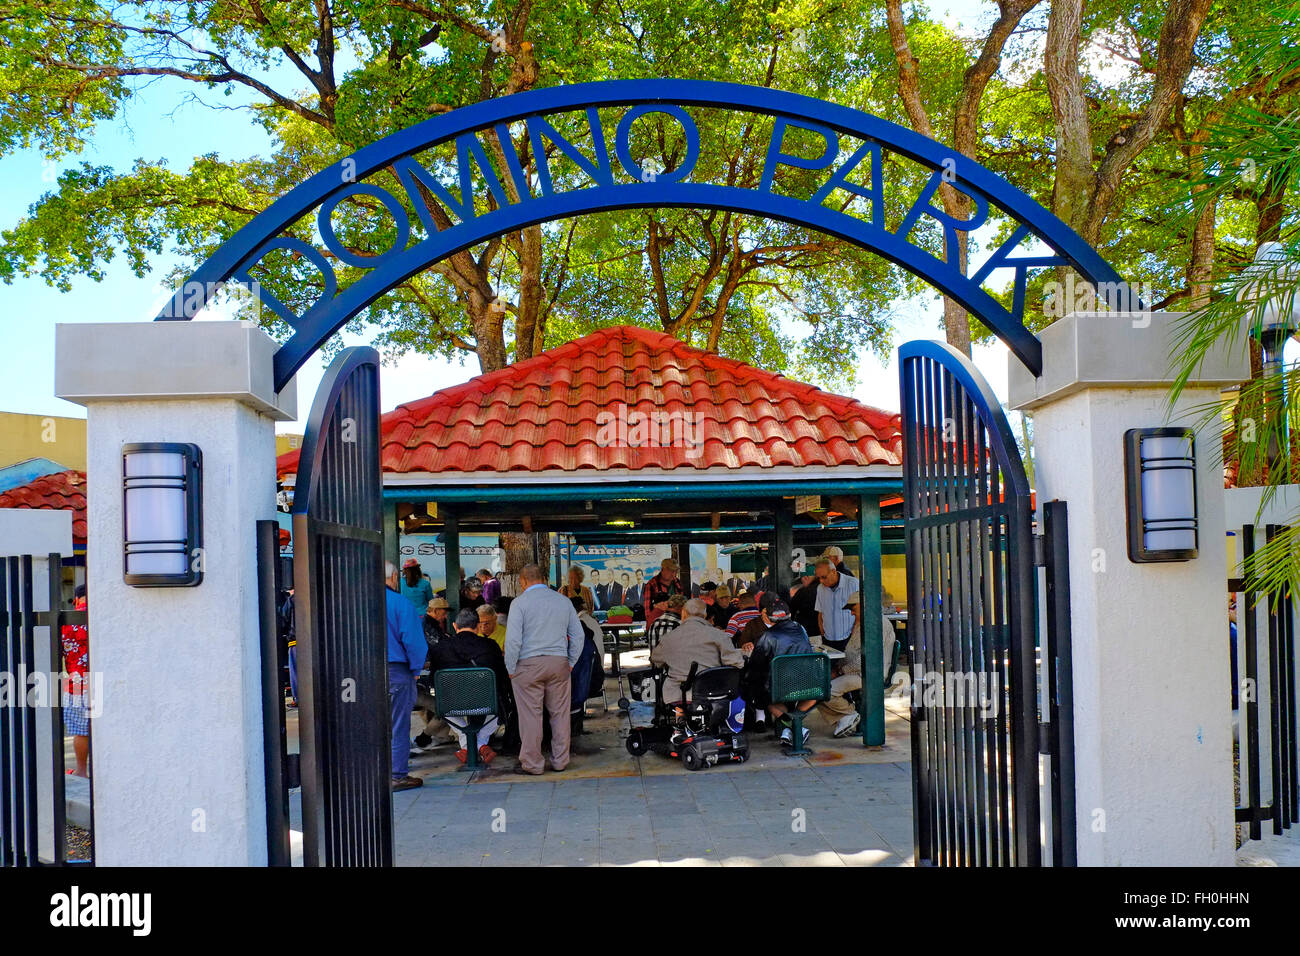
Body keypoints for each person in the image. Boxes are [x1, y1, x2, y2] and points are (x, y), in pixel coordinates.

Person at [504, 563, 584, 775]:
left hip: (527, 665)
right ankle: (560, 761)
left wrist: (511, 667)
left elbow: (512, 641)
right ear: (544, 579)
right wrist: (570, 662)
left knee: (531, 716)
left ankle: (533, 764)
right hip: (558, 662)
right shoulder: (563, 601)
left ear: (523, 581)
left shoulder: (519, 604)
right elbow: (578, 636)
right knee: (560, 714)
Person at [429, 607, 511, 765]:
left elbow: (434, 679)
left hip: (451, 704)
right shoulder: (490, 646)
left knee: (441, 699)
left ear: (454, 626)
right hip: (486, 703)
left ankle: (468, 747)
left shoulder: (440, 647)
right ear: (478, 626)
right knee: (500, 703)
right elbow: (501, 676)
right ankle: (480, 745)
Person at [744, 593, 817, 744]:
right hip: (810, 686)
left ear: (769, 618)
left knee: (758, 693)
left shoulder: (767, 636)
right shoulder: (801, 629)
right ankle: (794, 726)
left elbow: (756, 666)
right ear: (789, 615)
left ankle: (792, 726)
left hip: (780, 689)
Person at [649, 598, 744, 704]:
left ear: (683, 613)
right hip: (713, 694)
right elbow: (736, 663)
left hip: (678, 697)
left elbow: (655, 660)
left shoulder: (668, 638)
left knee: (680, 710)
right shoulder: (719, 635)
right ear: (704, 615)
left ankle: (680, 718)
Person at [386, 560, 428, 791]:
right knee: (398, 725)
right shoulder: (400, 603)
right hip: (396, 671)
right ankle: (396, 775)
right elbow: (414, 643)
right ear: (393, 578)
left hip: (361, 673)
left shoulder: (356, 603)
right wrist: (415, 670)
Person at [60, 585, 91, 778]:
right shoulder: (101, 615)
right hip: (107, 679)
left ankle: (81, 770)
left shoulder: (67, 622)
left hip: (76, 683)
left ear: (77, 599)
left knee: (81, 731)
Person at [814, 558, 860, 651]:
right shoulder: (820, 588)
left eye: (824, 577)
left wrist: (854, 635)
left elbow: (859, 612)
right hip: (827, 640)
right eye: (819, 578)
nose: (821, 581)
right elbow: (820, 613)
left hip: (848, 638)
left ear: (833, 572)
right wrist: (822, 633)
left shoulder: (853, 583)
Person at [644, 558, 685, 628]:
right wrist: (651, 626)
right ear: (663, 569)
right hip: (658, 624)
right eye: (671, 571)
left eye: (675, 572)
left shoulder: (677, 582)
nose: (674, 574)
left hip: (677, 622)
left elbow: (682, 603)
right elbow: (647, 610)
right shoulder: (651, 584)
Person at [789, 571, 819, 638]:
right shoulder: (825, 587)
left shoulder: (804, 591)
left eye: (802, 581)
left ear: (806, 577)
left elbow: (792, 609)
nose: (802, 584)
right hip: (822, 630)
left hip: (807, 631)